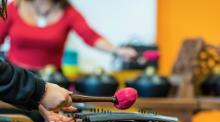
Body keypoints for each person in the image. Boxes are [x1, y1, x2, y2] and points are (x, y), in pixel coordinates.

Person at [0, 0, 137, 71]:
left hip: (52, 82)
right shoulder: (13, 8)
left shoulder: (68, 12)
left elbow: (90, 36)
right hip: (16, 80)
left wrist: (117, 50)